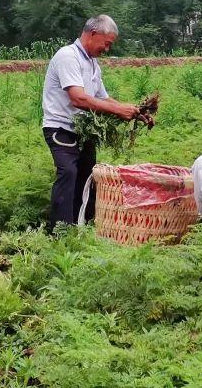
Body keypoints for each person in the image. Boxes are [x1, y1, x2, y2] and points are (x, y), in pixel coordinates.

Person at [41, 15, 140, 232]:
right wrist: (117, 109)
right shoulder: (68, 56)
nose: (107, 49)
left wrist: (133, 111)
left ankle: (83, 227)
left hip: (82, 131)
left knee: (87, 177)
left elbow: (103, 98)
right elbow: (78, 98)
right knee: (68, 174)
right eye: (107, 43)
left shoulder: (93, 63)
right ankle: (60, 232)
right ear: (93, 34)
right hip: (61, 129)